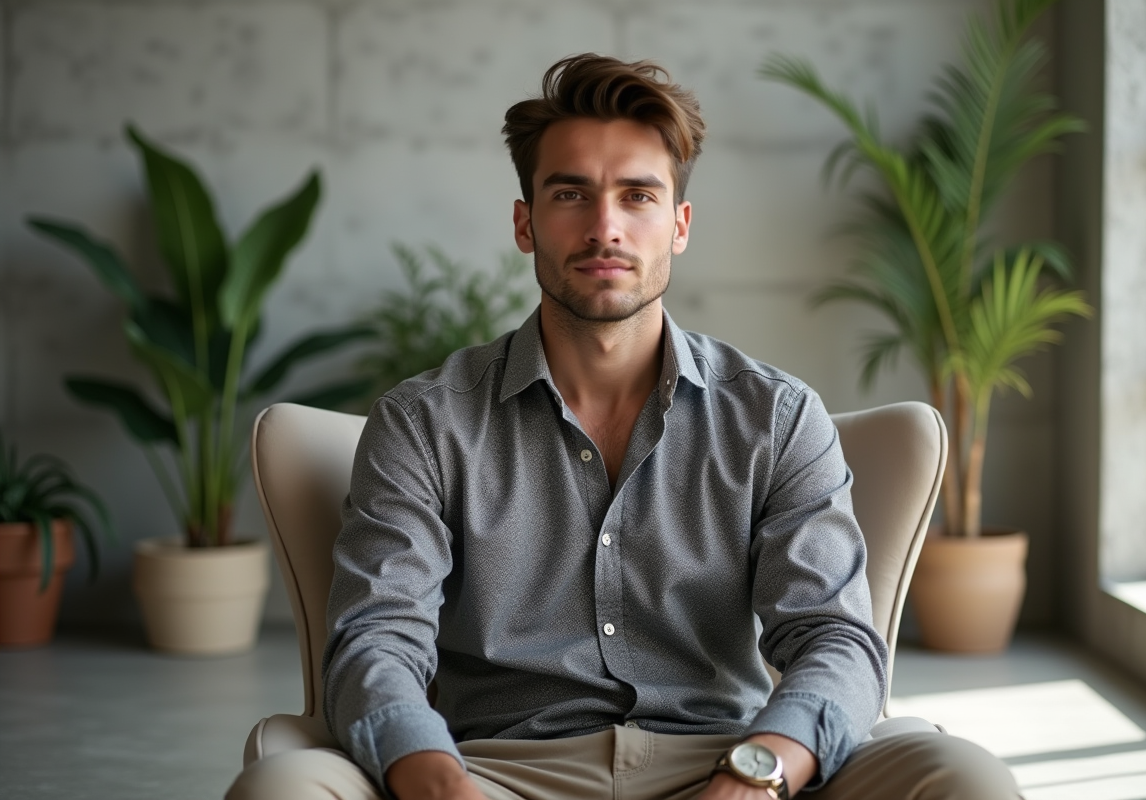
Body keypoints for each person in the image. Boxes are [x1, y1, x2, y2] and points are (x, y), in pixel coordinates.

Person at [227, 54, 1020, 800]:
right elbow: (376, 640)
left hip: (724, 757)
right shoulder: (424, 423)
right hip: (501, 770)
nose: (604, 226)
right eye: (570, 194)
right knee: (282, 787)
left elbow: (835, 641)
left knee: (961, 774)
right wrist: (438, 782)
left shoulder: (776, 417)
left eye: (636, 196)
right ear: (525, 222)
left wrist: (754, 775)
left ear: (678, 224)